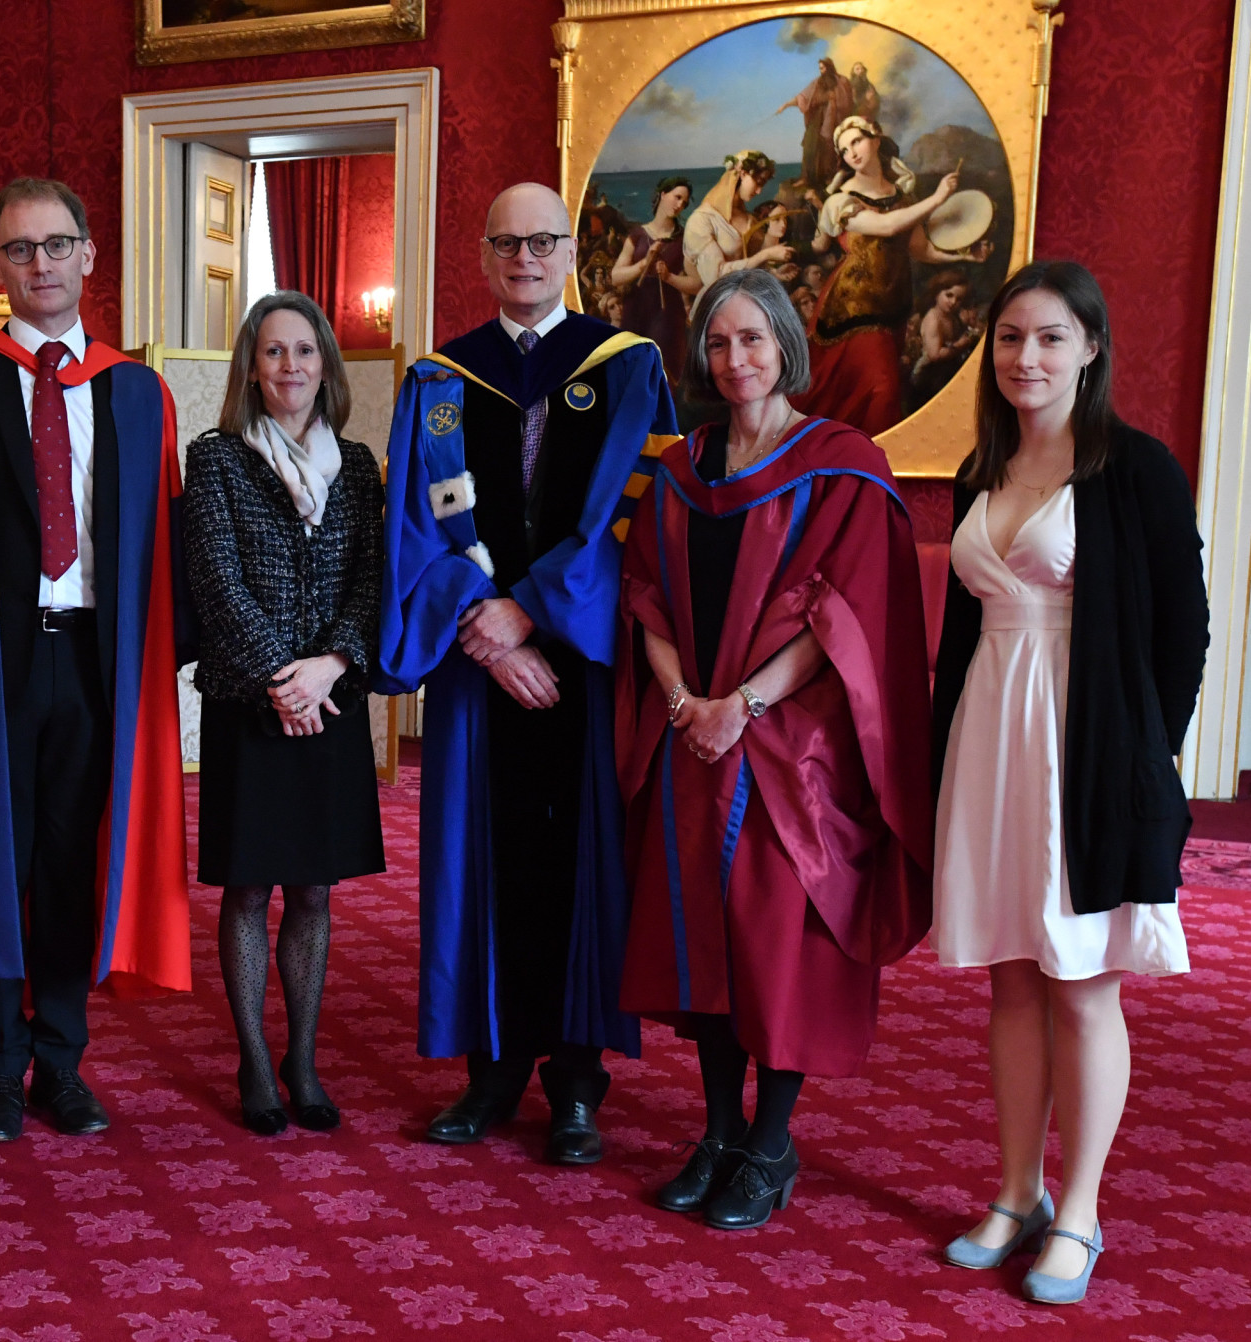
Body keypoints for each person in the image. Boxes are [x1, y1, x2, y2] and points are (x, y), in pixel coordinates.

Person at [616, 270, 932, 1230]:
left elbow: (847, 613)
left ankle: (772, 1143)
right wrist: (683, 703)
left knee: (775, 952)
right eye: (718, 343)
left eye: (752, 339)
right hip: (692, 738)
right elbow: (646, 598)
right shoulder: (682, 467)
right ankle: (717, 1130)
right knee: (703, 946)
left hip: (788, 748)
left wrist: (739, 706)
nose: (734, 359)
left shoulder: (842, 465)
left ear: (786, 347)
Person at [377, 182, 677, 1166]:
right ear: (481, 252)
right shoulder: (437, 378)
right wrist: (483, 624)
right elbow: (412, 527)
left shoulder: (628, 368)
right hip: (477, 672)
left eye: (541, 240)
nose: (524, 258)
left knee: (580, 864)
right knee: (479, 860)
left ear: (568, 251)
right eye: (505, 241)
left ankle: (577, 1082)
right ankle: (489, 1071)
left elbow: (631, 516)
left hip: (582, 669)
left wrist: (534, 615)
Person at [0, 178, 192, 1144]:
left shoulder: (139, 392)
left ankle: (61, 1056)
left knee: (73, 853)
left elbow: (165, 535)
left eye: (58, 245)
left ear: (91, 256)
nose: (42, 265)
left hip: (98, 656)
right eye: (20, 250)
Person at [932, 261, 1207, 1304]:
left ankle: (1078, 1209)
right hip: (988, 740)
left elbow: (1183, 628)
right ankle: (1013, 1192)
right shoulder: (980, 469)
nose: (1025, 358)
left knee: (1081, 985)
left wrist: (1145, 756)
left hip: (1087, 748)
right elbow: (962, 634)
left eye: (1049, 338)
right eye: (1008, 338)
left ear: (1089, 349)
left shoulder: (1133, 468)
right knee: (1008, 975)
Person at [183, 292, 386, 1134]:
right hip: (250, 705)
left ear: (326, 367)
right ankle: (255, 1064)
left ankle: (303, 1060)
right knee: (247, 890)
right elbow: (215, 581)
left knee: (313, 892)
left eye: (305, 352)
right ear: (251, 368)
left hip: (331, 704)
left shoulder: (361, 466)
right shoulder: (217, 460)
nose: (290, 367)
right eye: (273, 353)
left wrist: (329, 667)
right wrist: (279, 675)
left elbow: (373, 579)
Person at [794, 116, 990, 435]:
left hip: (893, 306)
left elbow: (921, 249)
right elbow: (886, 226)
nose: (852, 153)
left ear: (875, 139)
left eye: (856, 141)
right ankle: (869, 462)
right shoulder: (841, 200)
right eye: (844, 150)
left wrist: (966, 254)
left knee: (875, 392)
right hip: (853, 309)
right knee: (878, 389)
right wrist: (938, 198)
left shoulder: (901, 197)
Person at [610, 175, 699, 386]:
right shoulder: (638, 235)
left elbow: (696, 283)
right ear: (663, 194)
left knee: (664, 378)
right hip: (636, 312)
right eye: (677, 197)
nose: (679, 205)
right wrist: (643, 264)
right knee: (630, 375)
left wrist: (669, 277)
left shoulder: (684, 238)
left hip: (667, 318)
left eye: (684, 202)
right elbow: (616, 277)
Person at [682, 152, 795, 302]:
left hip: (747, 300)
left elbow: (751, 264)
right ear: (742, 174)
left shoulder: (749, 219)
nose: (759, 191)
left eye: (763, 185)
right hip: (717, 303)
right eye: (758, 182)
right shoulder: (701, 220)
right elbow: (714, 277)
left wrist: (774, 272)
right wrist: (766, 255)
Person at [776, 59, 853, 191]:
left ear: (829, 68)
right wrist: (786, 105)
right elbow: (803, 97)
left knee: (830, 149)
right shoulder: (817, 82)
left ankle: (830, 177)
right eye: (820, 68)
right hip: (816, 121)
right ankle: (806, 178)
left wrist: (834, 103)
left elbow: (848, 102)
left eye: (823, 68)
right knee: (809, 146)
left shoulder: (842, 81)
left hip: (835, 120)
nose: (821, 71)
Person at [912, 269, 977, 401]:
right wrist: (960, 345)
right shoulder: (933, 319)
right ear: (937, 294)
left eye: (958, 299)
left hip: (947, 367)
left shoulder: (951, 316)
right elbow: (934, 355)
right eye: (949, 295)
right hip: (929, 373)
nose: (953, 302)